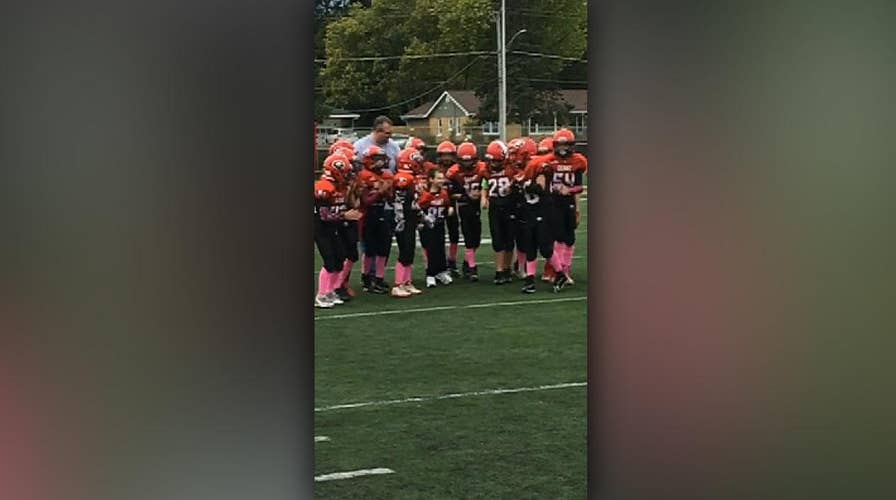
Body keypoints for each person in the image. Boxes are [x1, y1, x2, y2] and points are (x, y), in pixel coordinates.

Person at [541, 128, 588, 291]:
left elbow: (580, 186)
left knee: (570, 238)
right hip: (553, 203)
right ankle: (558, 270)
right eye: (559, 145)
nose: (562, 148)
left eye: (565, 145)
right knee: (558, 237)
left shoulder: (578, 161)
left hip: (568, 202)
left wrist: (572, 194)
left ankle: (566, 270)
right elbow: (543, 185)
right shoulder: (548, 161)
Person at [314, 153, 362, 308]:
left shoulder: (340, 187)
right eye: (346, 171)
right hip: (321, 228)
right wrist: (345, 215)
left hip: (333, 227)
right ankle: (321, 295)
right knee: (329, 260)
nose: (348, 175)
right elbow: (324, 215)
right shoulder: (323, 187)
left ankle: (330, 291)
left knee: (339, 258)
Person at [479, 140, 521, 285]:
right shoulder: (486, 170)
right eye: (491, 161)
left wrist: (513, 187)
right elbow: (484, 184)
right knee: (497, 241)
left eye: (496, 161)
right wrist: (484, 198)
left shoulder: (511, 169)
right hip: (495, 207)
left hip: (509, 206)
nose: (493, 164)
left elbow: (519, 181)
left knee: (509, 240)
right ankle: (498, 270)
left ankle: (507, 269)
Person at [357, 145, 394, 294]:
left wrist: (388, 191)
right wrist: (381, 192)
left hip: (381, 212)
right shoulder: (364, 176)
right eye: (376, 159)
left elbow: (391, 199)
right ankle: (367, 279)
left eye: (381, 159)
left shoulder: (386, 175)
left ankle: (379, 278)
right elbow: (366, 201)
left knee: (383, 248)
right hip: (368, 215)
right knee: (370, 249)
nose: (380, 162)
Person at [445, 141, 484, 281]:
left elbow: (487, 182)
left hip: (476, 206)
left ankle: (468, 262)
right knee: (468, 237)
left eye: (469, 161)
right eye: (464, 161)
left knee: (476, 239)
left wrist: (482, 193)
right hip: (462, 206)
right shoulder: (453, 172)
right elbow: (448, 192)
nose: (467, 164)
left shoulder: (481, 168)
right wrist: (465, 196)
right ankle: (472, 268)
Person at [390, 148, 425, 297]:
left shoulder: (412, 177)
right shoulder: (403, 178)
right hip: (403, 219)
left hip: (410, 217)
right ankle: (398, 284)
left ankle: (407, 281)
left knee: (410, 250)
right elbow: (399, 203)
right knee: (405, 250)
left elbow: (413, 202)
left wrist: (419, 216)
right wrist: (401, 220)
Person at [417, 169, 454, 288]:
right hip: (428, 226)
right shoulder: (426, 195)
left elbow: (448, 205)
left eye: (442, 178)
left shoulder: (443, 193)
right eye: (438, 178)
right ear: (431, 179)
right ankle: (430, 274)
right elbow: (419, 209)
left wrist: (449, 209)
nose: (441, 180)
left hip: (439, 224)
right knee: (430, 249)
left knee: (440, 248)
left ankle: (441, 271)